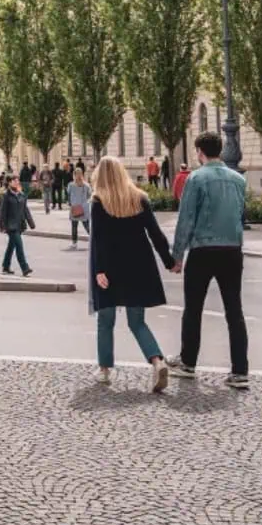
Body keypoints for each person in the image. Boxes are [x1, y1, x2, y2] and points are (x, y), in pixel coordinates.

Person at [167, 132, 250, 390]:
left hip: (203, 249)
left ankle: (188, 363)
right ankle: (239, 370)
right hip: (232, 250)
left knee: (193, 309)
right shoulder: (238, 180)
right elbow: (241, 213)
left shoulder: (196, 178)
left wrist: (177, 255)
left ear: (200, 152)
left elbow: (186, 218)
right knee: (234, 310)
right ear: (221, 150)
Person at [87, 156, 173, 391]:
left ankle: (104, 370)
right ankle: (157, 361)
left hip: (111, 268)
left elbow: (98, 241)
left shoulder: (98, 201)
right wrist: (169, 261)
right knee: (137, 322)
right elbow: (156, 234)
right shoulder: (140, 198)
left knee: (106, 321)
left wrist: (99, 270)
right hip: (139, 266)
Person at [0, 174, 35, 277]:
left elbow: (25, 209)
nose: (16, 182)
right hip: (10, 226)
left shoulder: (21, 195)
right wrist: (2, 226)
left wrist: (31, 223)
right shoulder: (5, 195)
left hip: (19, 224)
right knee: (19, 246)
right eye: (14, 181)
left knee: (11, 246)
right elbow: (2, 212)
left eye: (17, 180)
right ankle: (25, 268)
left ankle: (5, 266)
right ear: (9, 183)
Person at [66, 166, 93, 249]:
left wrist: (70, 203)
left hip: (75, 208)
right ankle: (94, 241)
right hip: (84, 208)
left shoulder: (71, 185)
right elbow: (90, 196)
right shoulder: (86, 185)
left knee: (75, 226)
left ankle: (74, 243)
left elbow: (68, 195)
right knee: (87, 226)